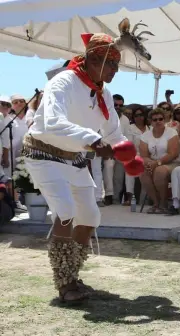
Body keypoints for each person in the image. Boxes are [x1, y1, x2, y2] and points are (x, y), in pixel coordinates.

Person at [22, 32, 128, 303]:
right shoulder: (63, 81)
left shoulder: (103, 91)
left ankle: (73, 275)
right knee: (66, 211)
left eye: (117, 65)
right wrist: (93, 140)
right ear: (93, 59)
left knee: (91, 217)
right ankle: (64, 282)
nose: (115, 70)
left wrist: (129, 153)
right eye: (111, 64)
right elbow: (53, 121)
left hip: (75, 158)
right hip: (43, 153)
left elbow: (114, 132)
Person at [139, 108, 180, 214]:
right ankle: (156, 203)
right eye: (155, 120)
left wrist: (157, 163)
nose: (158, 121)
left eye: (160, 119)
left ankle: (163, 203)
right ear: (150, 121)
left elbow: (173, 153)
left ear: (165, 120)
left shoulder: (172, 132)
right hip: (153, 163)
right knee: (143, 172)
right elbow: (144, 155)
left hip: (172, 163)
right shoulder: (145, 135)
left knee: (159, 172)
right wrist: (150, 163)